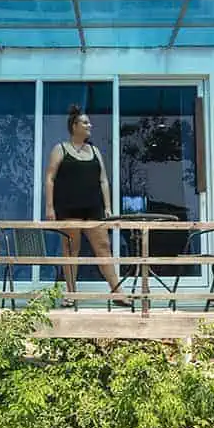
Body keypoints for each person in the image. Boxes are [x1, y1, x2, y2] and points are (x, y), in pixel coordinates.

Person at [45, 105, 131, 307]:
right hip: (68, 208)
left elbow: (103, 180)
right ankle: (71, 294)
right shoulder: (60, 149)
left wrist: (107, 206)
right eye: (85, 122)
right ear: (74, 126)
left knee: (103, 247)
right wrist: (49, 207)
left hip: (93, 208)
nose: (89, 125)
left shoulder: (94, 150)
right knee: (71, 250)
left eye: (89, 122)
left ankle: (117, 292)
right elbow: (50, 178)